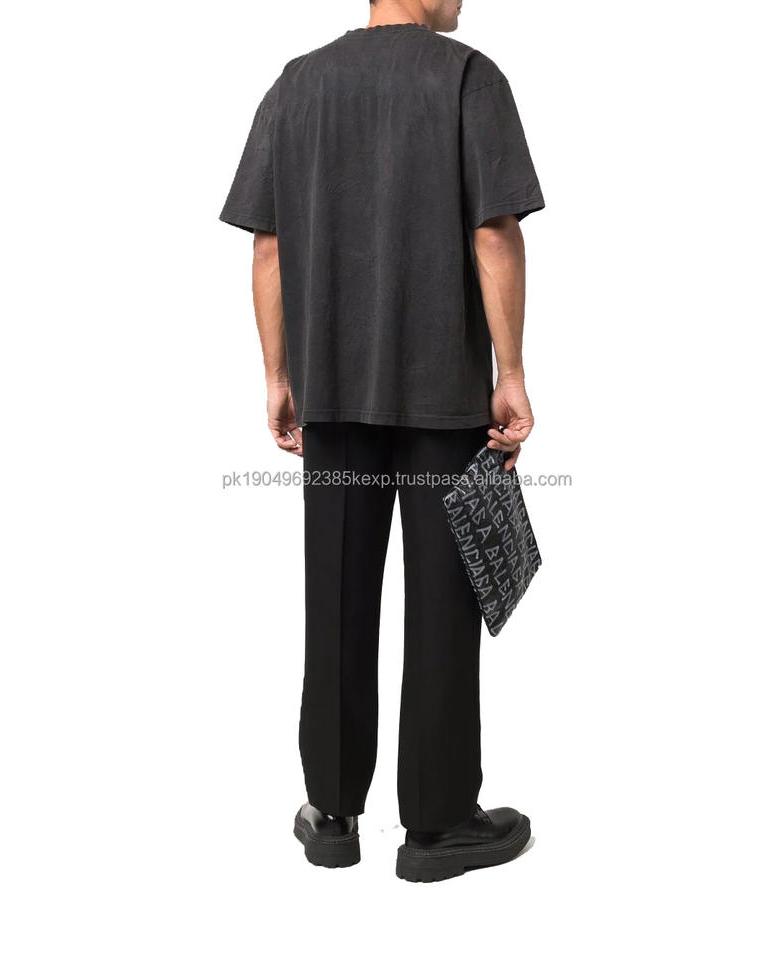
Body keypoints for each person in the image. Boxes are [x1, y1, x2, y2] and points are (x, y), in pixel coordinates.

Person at [220, 0, 544, 882]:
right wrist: (511, 371)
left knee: (334, 596)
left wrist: (279, 377)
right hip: (444, 391)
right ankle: (437, 829)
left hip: (332, 394)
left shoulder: (297, 86)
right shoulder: (468, 77)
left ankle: (331, 814)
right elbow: (494, 230)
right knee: (443, 605)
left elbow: (267, 247)